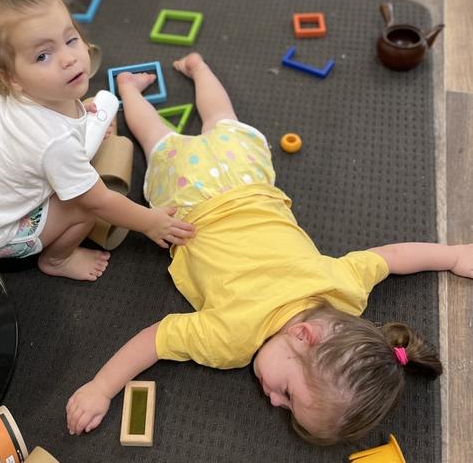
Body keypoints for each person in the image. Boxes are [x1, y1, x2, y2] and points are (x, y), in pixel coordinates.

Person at [66, 52, 472, 444]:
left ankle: (195, 68)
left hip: (246, 173)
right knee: (155, 137)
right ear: (303, 335)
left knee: (221, 119)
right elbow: (154, 340)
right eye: (288, 395)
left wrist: (453, 256)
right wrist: (101, 388)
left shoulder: (344, 292)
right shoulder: (232, 338)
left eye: (284, 407)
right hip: (186, 196)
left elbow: (394, 258)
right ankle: (127, 89)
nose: (273, 400)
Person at [0, 0, 194, 281]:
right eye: (42, 55)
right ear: (12, 78)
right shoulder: (54, 142)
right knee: (84, 208)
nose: (68, 58)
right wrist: (150, 222)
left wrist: (79, 113)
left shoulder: (28, 92)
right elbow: (99, 201)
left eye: (71, 39)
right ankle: (58, 260)